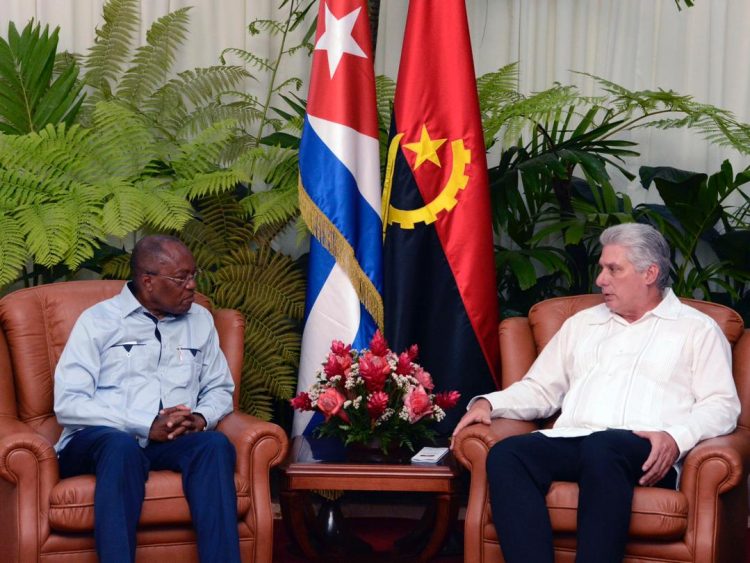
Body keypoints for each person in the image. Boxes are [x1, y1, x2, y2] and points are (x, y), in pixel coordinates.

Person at [451, 223, 741, 563]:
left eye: (613, 269)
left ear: (650, 273)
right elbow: (541, 388)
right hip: (578, 440)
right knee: (508, 455)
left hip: (643, 449)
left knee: (603, 448)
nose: (601, 279)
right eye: (602, 268)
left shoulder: (696, 329)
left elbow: (721, 405)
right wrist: (490, 402)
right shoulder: (582, 324)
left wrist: (675, 438)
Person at [53, 235, 240, 563]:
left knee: (214, 445)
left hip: (168, 441)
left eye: (194, 275)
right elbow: (69, 403)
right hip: (99, 441)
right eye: (181, 278)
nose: (192, 286)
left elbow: (220, 388)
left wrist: (199, 418)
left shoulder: (200, 321)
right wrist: (142, 424)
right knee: (121, 446)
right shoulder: (98, 322)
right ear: (148, 281)